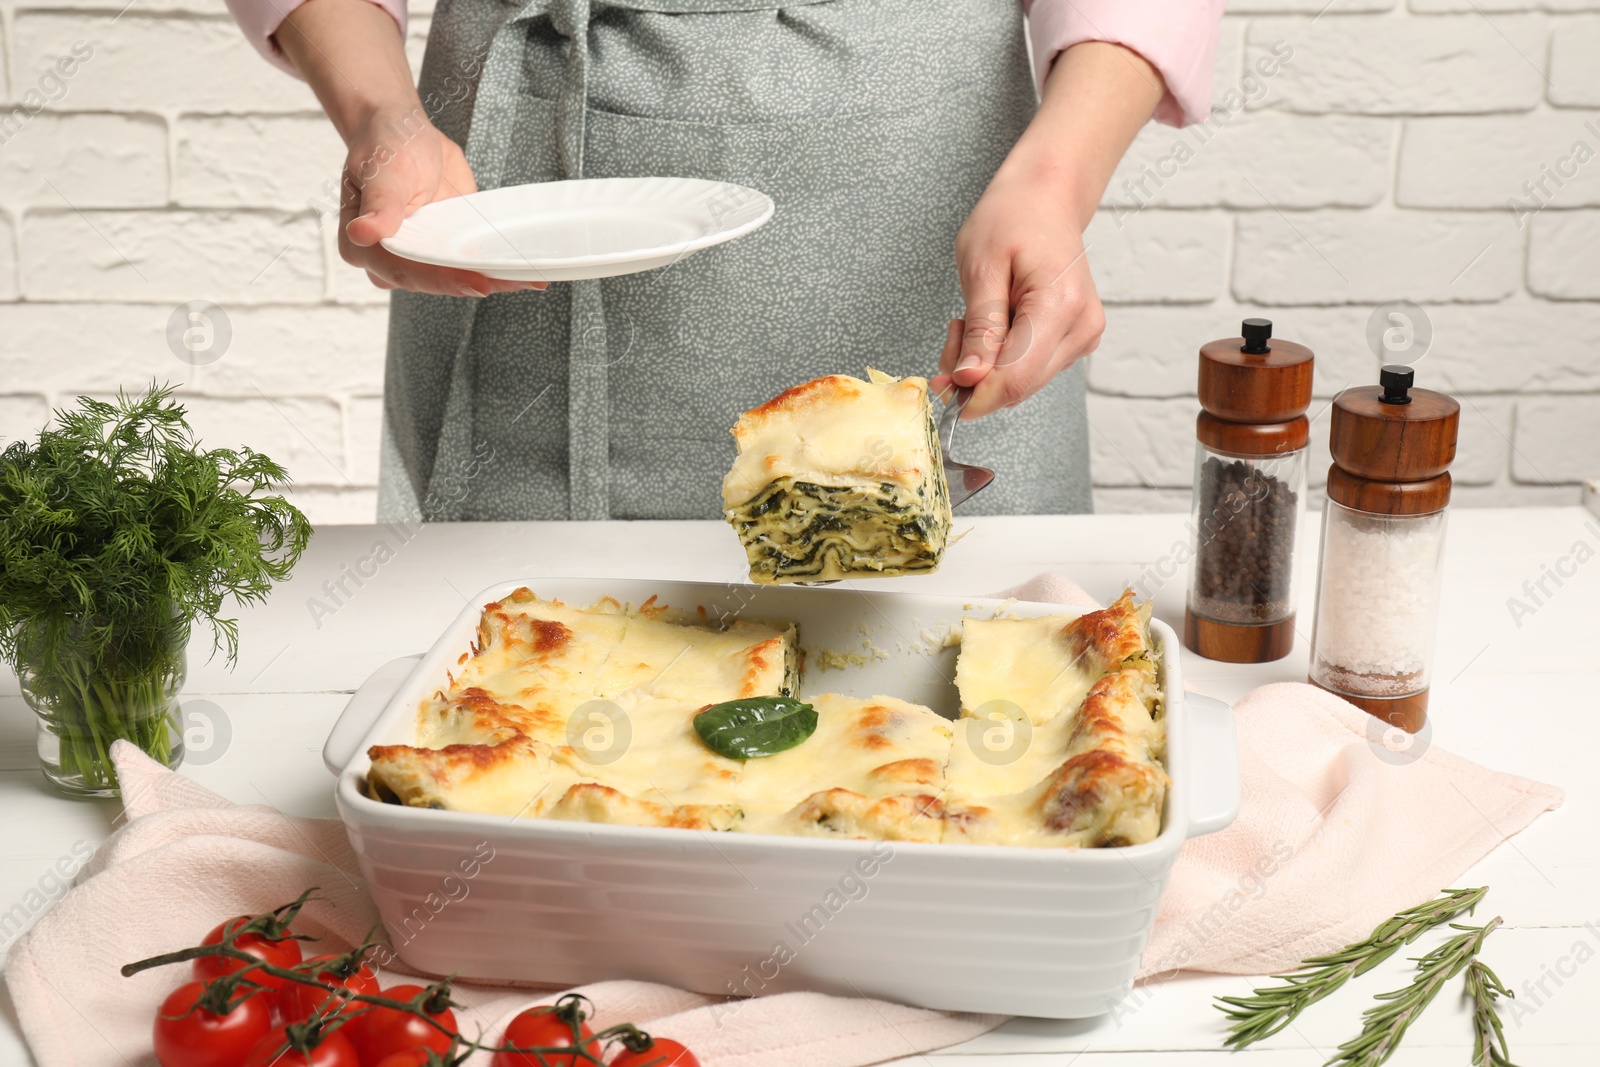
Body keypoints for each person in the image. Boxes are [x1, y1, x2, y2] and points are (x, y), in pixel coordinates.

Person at [225, 0, 1225, 521]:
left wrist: (1053, 187)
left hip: (919, 178)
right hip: (518, 197)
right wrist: (379, 114)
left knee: (948, 725)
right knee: (517, 716)